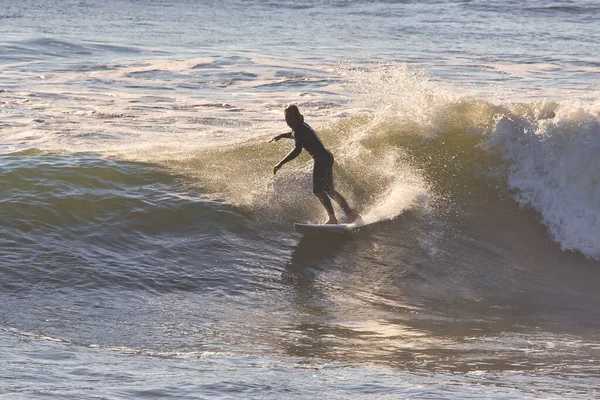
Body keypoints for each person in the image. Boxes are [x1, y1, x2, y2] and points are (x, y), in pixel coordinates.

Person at [270, 105, 358, 225]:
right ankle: (350, 213)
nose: (287, 120)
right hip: (327, 156)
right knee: (330, 190)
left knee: (318, 190)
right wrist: (282, 136)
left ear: (293, 117)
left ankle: (332, 219)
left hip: (321, 159)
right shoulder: (302, 126)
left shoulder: (298, 130)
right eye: (286, 117)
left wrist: (281, 163)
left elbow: (297, 150)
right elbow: (295, 135)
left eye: (288, 117)